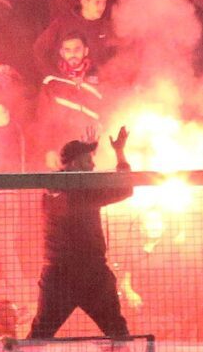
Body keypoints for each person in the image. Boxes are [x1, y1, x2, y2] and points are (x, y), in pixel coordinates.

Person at [31, 127, 134, 339]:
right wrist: (119, 152)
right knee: (118, 334)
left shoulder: (54, 188)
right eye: (88, 161)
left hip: (61, 274)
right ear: (75, 164)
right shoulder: (81, 194)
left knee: (39, 336)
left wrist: (87, 150)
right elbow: (126, 188)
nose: (93, 165)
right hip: (88, 273)